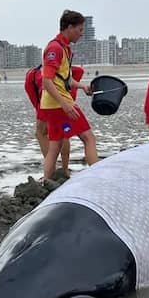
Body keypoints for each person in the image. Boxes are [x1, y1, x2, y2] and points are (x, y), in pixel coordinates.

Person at [38, 9, 98, 181]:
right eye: (80, 29)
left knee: (54, 146)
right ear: (69, 27)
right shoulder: (55, 48)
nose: (82, 33)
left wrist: (83, 86)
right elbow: (47, 82)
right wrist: (65, 104)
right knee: (88, 138)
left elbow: (66, 79)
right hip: (59, 105)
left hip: (51, 105)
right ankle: (99, 178)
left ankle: (46, 183)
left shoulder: (65, 49)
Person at [26, 64, 85, 176]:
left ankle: (51, 170)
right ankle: (65, 168)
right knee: (65, 134)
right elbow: (79, 70)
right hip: (66, 105)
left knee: (41, 133)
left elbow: (35, 99)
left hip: (47, 105)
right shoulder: (68, 70)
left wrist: (43, 116)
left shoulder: (32, 74)